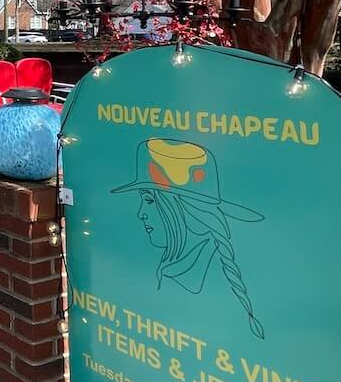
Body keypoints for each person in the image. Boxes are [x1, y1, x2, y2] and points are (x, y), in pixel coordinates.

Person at [113, 137, 265, 338]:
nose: (141, 213)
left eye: (150, 200)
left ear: (184, 208)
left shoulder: (215, 282)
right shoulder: (180, 266)